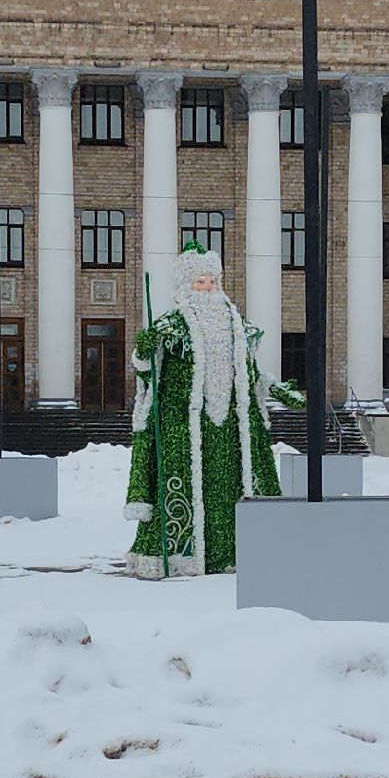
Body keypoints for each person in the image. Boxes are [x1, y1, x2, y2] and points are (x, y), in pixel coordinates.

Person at [125, 242, 303, 578]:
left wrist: (277, 389)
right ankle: (181, 554)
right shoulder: (170, 326)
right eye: (200, 282)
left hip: (234, 429)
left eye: (212, 281)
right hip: (184, 425)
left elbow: (249, 372)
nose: (208, 288)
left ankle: (236, 552)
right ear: (186, 287)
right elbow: (149, 371)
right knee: (184, 489)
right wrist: (144, 351)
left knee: (234, 487)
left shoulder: (238, 325)